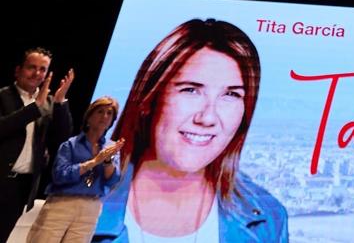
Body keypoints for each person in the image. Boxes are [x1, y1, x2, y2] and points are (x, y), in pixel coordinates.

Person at [92, 19, 287, 243]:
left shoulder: (268, 219)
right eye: (191, 90)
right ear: (149, 99)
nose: (208, 117)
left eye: (231, 95)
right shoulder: (83, 192)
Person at [26, 97, 124, 243]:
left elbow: (112, 181)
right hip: (63, 202)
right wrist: (94, 162)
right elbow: (60, 175)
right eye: (100, 112)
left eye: (109, 113)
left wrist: (107, 160)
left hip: (91, 206)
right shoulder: (70, 145)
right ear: (89, 117)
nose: (105, 116)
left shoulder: (111, 148)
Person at [1, 48, 74, 243]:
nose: (37, 73)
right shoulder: (3, 96)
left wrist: (59, 103)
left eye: (43, 69)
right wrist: (34, 108)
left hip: (20, 187)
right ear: (18, 70)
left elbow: (61, 140)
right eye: (31, 67)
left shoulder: (48, 103)